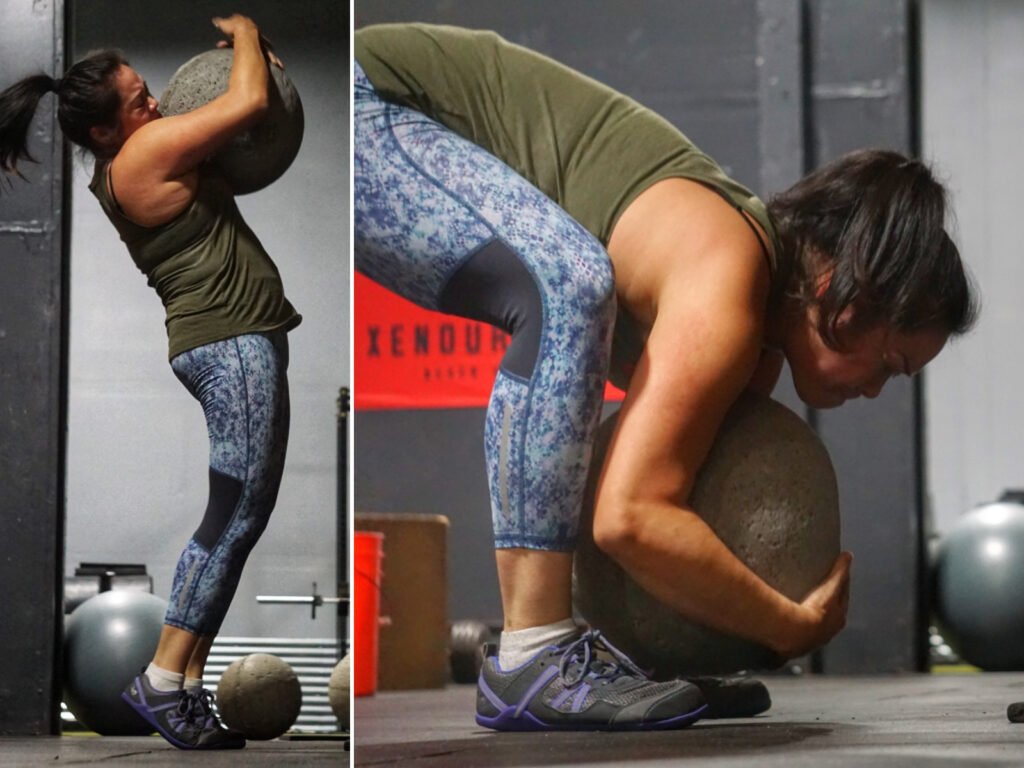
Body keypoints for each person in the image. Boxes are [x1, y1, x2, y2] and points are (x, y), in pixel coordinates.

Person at [353, 23, 977, 732]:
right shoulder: (729, 275)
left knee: (574, 293)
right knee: (566, 283)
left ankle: (621, 665)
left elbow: (672, 504)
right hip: (370, 103)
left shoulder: (753, 348)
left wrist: (685, 647)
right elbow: (631, 517)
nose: (876, 390)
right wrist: (787, 624)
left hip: (402, 118)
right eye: (891, 365)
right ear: (843, 290)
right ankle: (530, 656)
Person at [0, 15, 301, 749]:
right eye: (138, 100)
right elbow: (250, 106)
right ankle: (163, 681)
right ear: (105, 132)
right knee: (230, 521)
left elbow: (242, 120)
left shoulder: (136, 152)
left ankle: (187, 684)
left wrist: (251, 64)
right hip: (229, 346)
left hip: (234, 343)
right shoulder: (143, 155)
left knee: (239, 520)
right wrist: (249, 35)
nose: (156, 105)